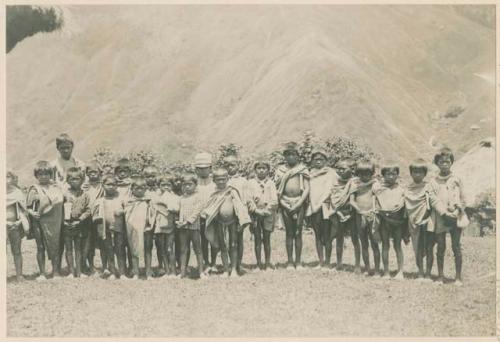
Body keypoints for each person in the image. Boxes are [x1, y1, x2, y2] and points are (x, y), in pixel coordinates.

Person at [202, 168, 251, 277]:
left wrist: (241, 222)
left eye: (223, 179)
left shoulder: (232, 191)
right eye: (218, 180)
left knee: (233, 245)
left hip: (232, 222)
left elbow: (239, 207)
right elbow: (210, 208)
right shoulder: (214, 194)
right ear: (214, 180)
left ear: (227, 179)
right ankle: (225, 269)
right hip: (219, 223)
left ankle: (233, 269)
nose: (221, 182)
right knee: (223, 246)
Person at [404, 158, 447, 282]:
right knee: (416, 248)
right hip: (413, 223)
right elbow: (406, 206)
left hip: (426, 222)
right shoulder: (408, 188)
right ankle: (420, 273)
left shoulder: (428, 186)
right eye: (415, 172)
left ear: (425, 174)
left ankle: (428, 274)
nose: (417, 174)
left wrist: (423, 218)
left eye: (420, 172)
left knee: (428, 248)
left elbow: (430, 205)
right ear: (410, 173)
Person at [430, 147, 467, 286]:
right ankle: (440, 276)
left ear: (451, 162)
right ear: (436, 163)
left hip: (455, 216)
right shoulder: (433, 181)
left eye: (447, 161)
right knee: (440, 246)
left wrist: (457, 211)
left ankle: (458, 277)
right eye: (441, 162)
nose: (444, 164)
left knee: (456, 246)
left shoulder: (457, 179)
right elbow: (433, 199)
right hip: (441, 217)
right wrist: (443, 213)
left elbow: (463, 198)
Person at [274, 142, 310, 270]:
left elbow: (306, 189)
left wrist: (299, 203)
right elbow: (277, 189)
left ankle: (298, 262)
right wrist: (283, 203)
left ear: (298, 156)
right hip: (285, 202)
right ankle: (290, 261)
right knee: (289, 233)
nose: (290, 157)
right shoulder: (280, 170)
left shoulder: (302, 169)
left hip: (299, 203)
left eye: (293, 154)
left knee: (298, 232)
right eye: (288, 155)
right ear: (284, 156)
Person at [27, 161, 65, 280]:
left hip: (54, 221)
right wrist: (33, 213)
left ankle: (55, 272)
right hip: (38, 221)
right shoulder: (34, 189)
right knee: (40, 246)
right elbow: (27, 207)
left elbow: (60, 201)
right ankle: (42, 273)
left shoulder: (55, 187)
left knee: (56, 245)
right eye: (41, 174)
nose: (44, 177)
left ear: (50, 174)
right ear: (36, 176)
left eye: (46, 174)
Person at [305, 148, 337, 269]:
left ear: (326, 161)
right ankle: (321, 261)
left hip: (325, 207)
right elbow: (309, 191)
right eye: (316, 159)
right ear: (312, 161)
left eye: (321, 159)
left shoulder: (331, 173)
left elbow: (329, 190)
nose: (318, 162)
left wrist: (319, 204)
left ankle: (328, 262)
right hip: (313, 208)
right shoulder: (310, 173)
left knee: (327, 235)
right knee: (318, 235)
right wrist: (313, 206)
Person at [373, 163, 405, 280]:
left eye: (394, 174)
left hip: (397, 221)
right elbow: (376, 203)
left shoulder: (401, 189)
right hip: (384, 221)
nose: (391, 176)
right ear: (383, 175)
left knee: (397, 245)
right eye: (388, 174)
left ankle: (400, 271)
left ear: (397, 175)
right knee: (385, 245)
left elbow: (403, 202)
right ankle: (386, 272)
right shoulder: (379, 189)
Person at [91, 174, 127, 279]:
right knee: (108, 250)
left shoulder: (121, 199)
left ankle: (122, 272)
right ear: (103, 185)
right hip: (105, 230)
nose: (110, 186)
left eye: (113, 184)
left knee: (120, 250)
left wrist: (122, 211)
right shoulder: (99, 200)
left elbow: (128, 210)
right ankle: (111, 271)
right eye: (108, 184)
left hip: (118, 229)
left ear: (117, 186)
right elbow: (94, 214)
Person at [349, 160, 380, 276]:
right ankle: (367, 268)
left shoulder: (375, 184)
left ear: (371, 173)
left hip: (372, 216)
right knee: (364, 243)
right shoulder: (355, 184)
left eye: (367, 173)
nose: (364, 176)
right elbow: (352, 201)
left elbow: (378, 199)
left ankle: (377, 270)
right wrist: (360, 211)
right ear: (358, 173)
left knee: (374, 243)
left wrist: (373, 211)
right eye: (361, 174)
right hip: (359, 216)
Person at [247, 158, 278, 271]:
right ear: (255, 170)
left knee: (267, 238)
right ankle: (258, 263)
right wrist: (255, 210)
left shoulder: (271, 183)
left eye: (264, 168)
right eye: (259, 168)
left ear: (268, 170)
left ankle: (268, 263)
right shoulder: (250, 183)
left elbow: (274, 200)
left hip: (268, 214)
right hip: (255, 215)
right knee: (257, 239)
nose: (261, 171)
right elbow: (248, 199)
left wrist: (266, 210)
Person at [329, 158, 358, 272]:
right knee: (339, 238)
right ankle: (339, 263)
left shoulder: (355, 183)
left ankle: (357, 265)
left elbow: (355, 200)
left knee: (355, 239)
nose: (340, 171)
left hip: (352, 214)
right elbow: (333, 199)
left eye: (343, 169)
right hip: (338, 213)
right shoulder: (335, 183)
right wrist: (338, 212)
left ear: (352, 169)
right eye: (338, 169)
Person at [123, 177, 154, 280]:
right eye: (137, 188)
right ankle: (135, 272)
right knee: (134, 250)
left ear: (146, 189)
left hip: (146, 229)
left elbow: (152, 215)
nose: (139, 190)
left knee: (148, 250)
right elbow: (126, 215)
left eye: (142, 188)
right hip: (133, 229)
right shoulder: (128, 201)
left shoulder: (149, 201)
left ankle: (148, 272)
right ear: (132, 189)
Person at [176, 173, 206, 279]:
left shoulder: (198, 197)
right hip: (183, 228)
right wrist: (179, 222)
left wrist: (187, 222)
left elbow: (197, 212)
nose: (187, 187)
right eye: (185, 185)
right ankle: (183, 272)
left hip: (194, 227)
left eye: (190, 184)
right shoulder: (181, 198)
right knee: (183, 249)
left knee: (198, 249)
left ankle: (201, 272)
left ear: (195, 185)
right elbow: (179, 212)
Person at [62, 167, 90, 278]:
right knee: (68, 249)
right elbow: (59, 209)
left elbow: (88, 210)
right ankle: (71, 271)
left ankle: (79, 271)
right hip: (66, 225)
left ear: (82, 180)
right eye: (72, 179)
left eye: (77, 179)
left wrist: (80, 220)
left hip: (79, 225)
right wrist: (64, 221)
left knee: (78, 249)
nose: (75, 181)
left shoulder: (85, 195)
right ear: (67, 180)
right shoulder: (64, 194)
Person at [224, 154, 249, 272]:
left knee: (238, 240)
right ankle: (230, 263)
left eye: (232, 165)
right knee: (227, 240)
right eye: (227, 165)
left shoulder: (243, 181)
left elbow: (245, 199)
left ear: (238, 166)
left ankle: (238, 263)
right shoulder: (222, 180)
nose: (230, 168)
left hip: (239, 215)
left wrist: (243, 217)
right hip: (225, 215)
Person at [194, 152, 217, 272]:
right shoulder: (193, 184)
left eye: (205, 168)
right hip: (198, 217)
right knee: (201, 241)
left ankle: (213, 263)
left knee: (213, 240)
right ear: (196, 170)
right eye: (200, 169)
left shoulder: (215, 184)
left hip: (212, 216)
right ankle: (205, 262)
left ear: (210, 169)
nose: (203, 171)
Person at [6, 170, 30, 282]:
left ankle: (19, 275)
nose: (6, 180)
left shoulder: (17, 192)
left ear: (12, 179)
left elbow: (24, 210)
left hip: (15, 225)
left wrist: (19, 222)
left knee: (17, 251)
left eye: (8, 177)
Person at [81, 161, 104, 275]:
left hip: (99, 218)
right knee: (87, 243)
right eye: (90, 173)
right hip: (86, 218)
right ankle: (86, 265)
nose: (93, 175)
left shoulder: (103, 186)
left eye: (95, 172)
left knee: (100, 241)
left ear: (100, 173)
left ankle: (101, 265)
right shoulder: (84, 186)